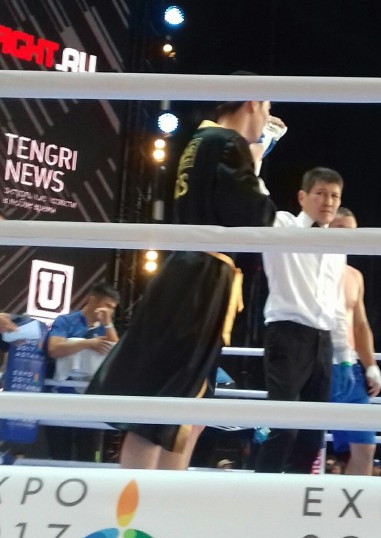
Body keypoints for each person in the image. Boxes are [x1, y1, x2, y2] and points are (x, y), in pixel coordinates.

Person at [87, 96, 280, 470]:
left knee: (187, 404)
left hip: (190, 271)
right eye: (268, 109)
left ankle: (159, 499)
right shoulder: (227, 142)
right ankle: (142, 500)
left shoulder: (199, 141)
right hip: (202, 280)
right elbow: (257, 216)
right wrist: (255, 164)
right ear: (252, 103)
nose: (268, 119)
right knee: (166, 402)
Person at [255, 167, 353, 474]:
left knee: (313, 437)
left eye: (334, 195)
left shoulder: (337, 247)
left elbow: (337, 305)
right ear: (302, 197)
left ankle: (295, 495)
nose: (328, 201)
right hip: (287, 333)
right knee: (284, 427)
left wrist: (344, 355)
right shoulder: (282, 224)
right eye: (320, 193)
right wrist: (257, 155)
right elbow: (256, 195)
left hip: (322, 341)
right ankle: (259, 491)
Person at [328, 207, 381, 475]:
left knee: (364, 448)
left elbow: (360, 325)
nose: (345, 236)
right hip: (317, 362)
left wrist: (371, 365)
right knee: (308, 441)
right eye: (339, 228)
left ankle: (347, 501)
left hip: (350, 367)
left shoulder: (354, 276)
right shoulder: (309, 267)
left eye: (350, 231)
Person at [45, 282, 120, 462]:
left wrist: (108, 324)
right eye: (107, 306)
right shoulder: (66, 321)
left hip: (91, 399)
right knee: (59, 454)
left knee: (88, 454)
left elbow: (116, 354)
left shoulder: (106, 328)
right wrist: (87, 344)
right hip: (61, 396)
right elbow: (53, 349)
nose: (109, 311)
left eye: (113, 308)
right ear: (92, 300)